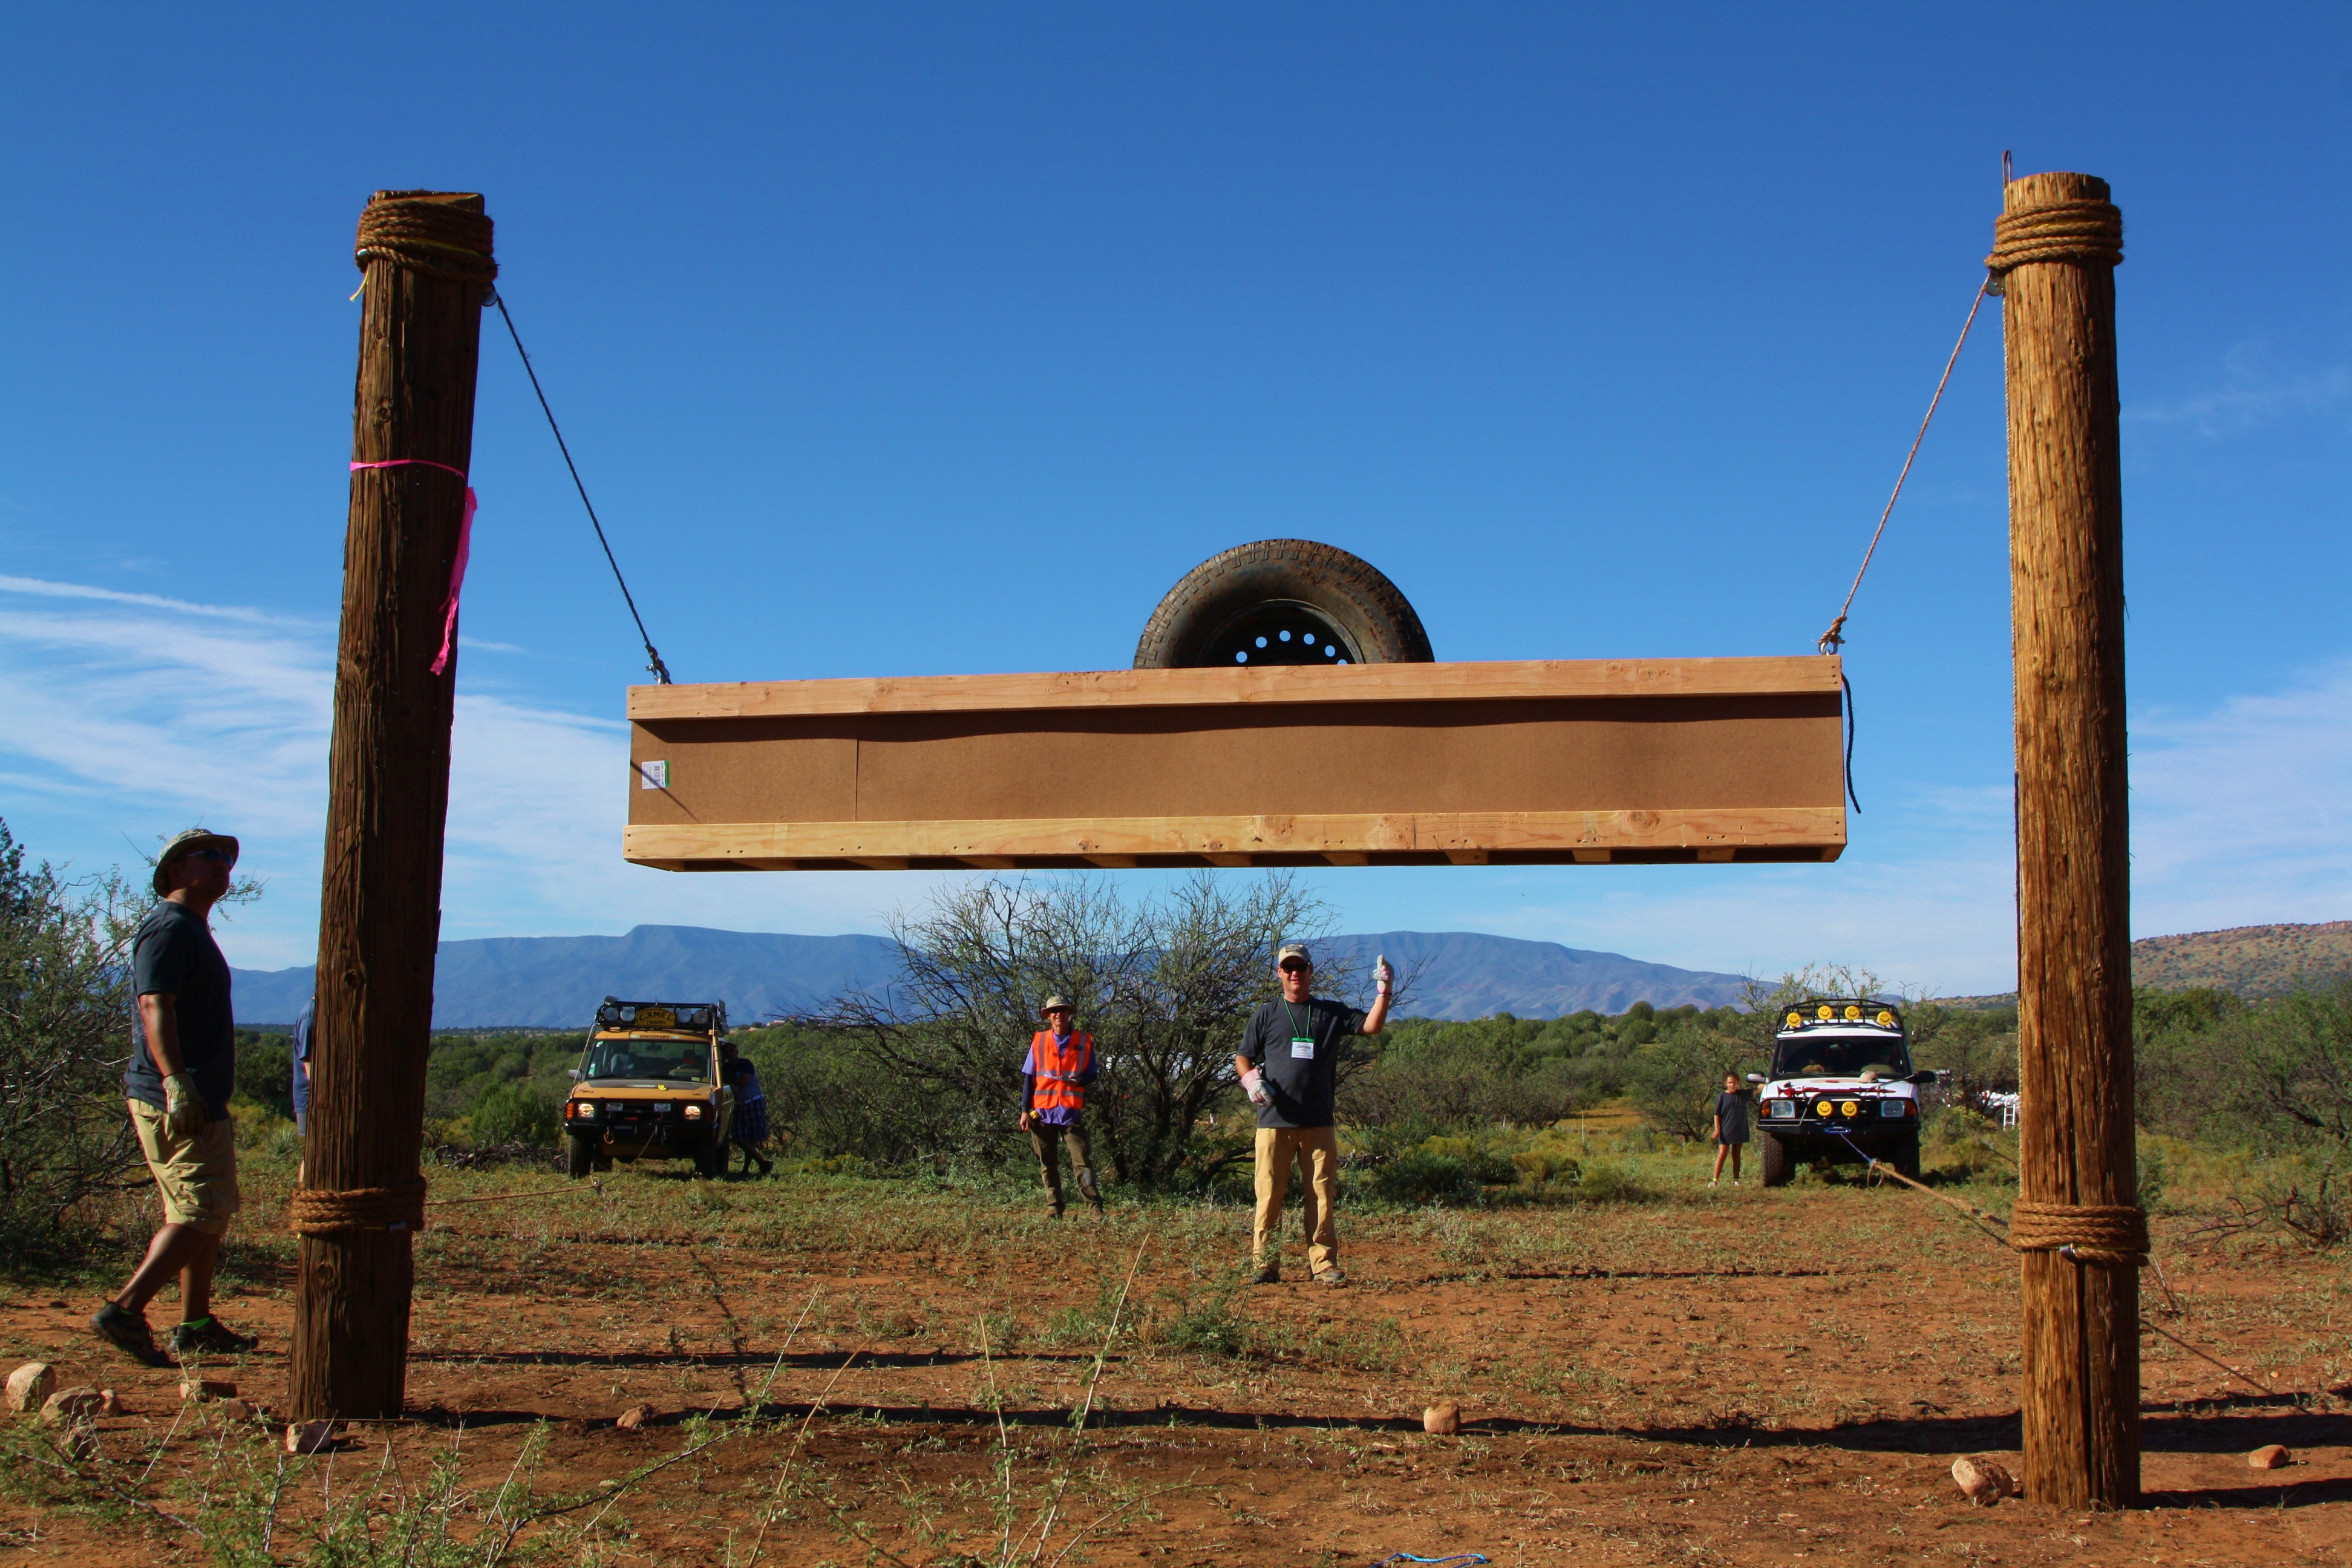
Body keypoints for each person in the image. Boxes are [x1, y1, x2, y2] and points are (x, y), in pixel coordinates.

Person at [90, 829, 256, 1364]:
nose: (222, 864)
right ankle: (125, 1311)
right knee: (200, 1209)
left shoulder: (191, 928)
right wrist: (176, 1080)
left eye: (227, 857)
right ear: (175, 870)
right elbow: (154, 1005)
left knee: (208, 1211)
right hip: (176, 1096)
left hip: (199, 1096)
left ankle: (196, 1323)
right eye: (209, 855)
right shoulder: (169, 927)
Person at [1234, 943, 1391, 1286]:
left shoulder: (1330, 1013)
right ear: (1279, 973)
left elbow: (1372, 1027)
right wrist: (1251, 1081)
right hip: (1274, 1122)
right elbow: (1243, 1056)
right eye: (1288, 968)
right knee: (1268, 1195)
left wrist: (1384, 991)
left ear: (1310, 970)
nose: (1295, 973)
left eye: (1301, 967)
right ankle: (1265, 1265)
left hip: (1318, 1121)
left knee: (1321, 1196)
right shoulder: (1266, 1014)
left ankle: (1323, 1265)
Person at [1019, 996, 1102, 1217]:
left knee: (1083, 1163)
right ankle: (1054, 1208)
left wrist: (1080, 1081)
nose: (1058, 1015)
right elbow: (1029, 1078)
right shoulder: (1039, 1041)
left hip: (1071, 1113)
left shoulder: (1084, 1041)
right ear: (1048, 1016)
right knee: (1048, 1164)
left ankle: (1095, 1209)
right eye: (1054, 1011)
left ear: (1069, 1014)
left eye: (1063, 1010)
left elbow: (1092, 1073)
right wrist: (1025, 1111)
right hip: (1042, 1114)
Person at [724, 1045, 773, 1175]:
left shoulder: (745, 1063)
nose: (730, 1054)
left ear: (737, 1051)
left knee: (752, 1138)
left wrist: (728, 1079)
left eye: (732, 1051)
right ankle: (763, 1163)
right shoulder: (725, 1068)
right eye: (727, 1052)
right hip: (740, 1104)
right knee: (738, 1137)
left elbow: (743, 1081)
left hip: (753, 1102)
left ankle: (747, 1169)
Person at [1711, 1071, 1751, 1187]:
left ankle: (1736, 1180)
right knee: (1722, 1154)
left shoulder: (1742, 1095)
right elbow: (1717, 1114)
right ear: (1726, 1083)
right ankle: (1715, 1180)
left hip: (1739, 1129)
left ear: (1738, 1083)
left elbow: (1758, 1090)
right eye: (1730, 1083)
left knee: (1736, 1155)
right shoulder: (1722, 1097)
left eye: (1734, 1083)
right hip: (1726, 1130)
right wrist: (1717, 1129)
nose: (1732, 1085)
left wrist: (1768, 1081)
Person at [290, 993, 315, 1136]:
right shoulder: (310, 1015)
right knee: (312, 1146)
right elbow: (307, 1060)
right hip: (309, 1098)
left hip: (314, 1097)